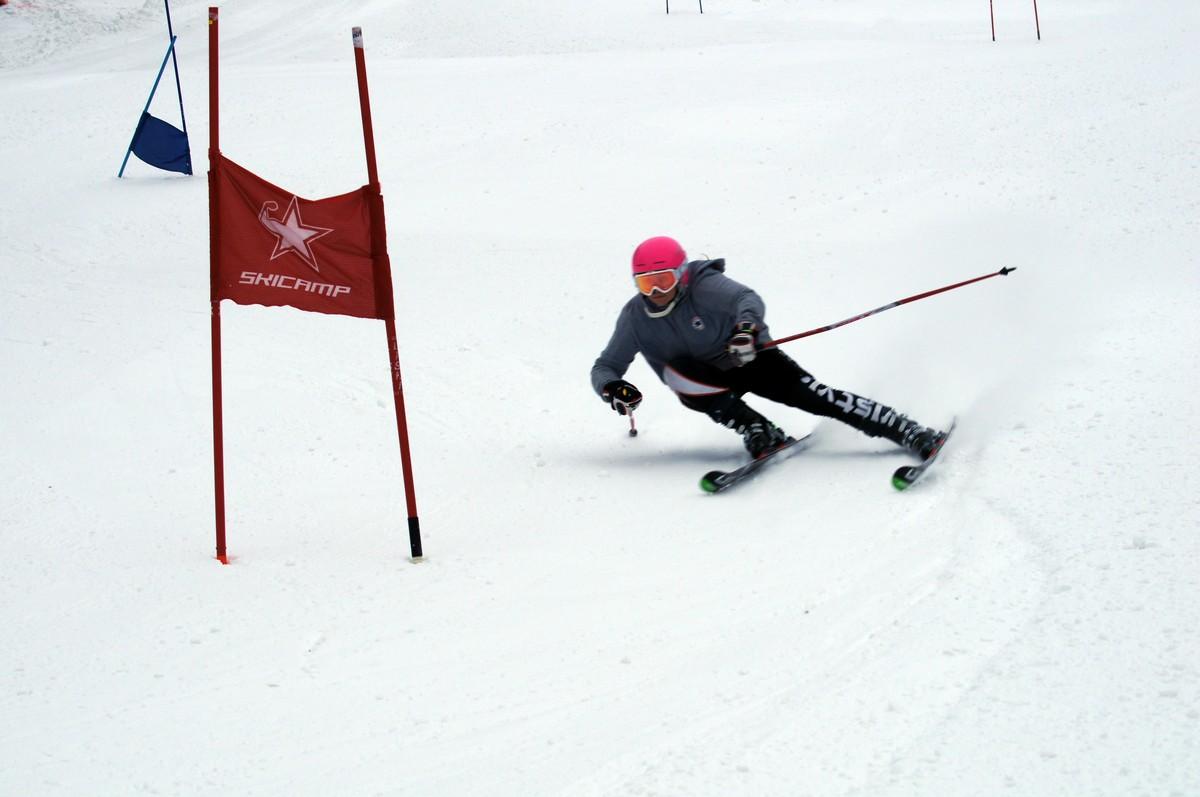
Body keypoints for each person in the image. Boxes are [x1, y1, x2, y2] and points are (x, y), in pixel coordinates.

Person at [590, 235, 947, 460]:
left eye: (663, 280)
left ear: (682, 274)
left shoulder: (705, 285)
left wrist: (746, 332)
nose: (656, 292)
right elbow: (606, 365)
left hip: (750, 359)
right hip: (707, 380)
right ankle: (758, 429)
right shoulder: (635, 317)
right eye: (646, 283)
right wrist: (612, 388)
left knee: (819, 397)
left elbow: (747, 298)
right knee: (678, 374)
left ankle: (908, 430)